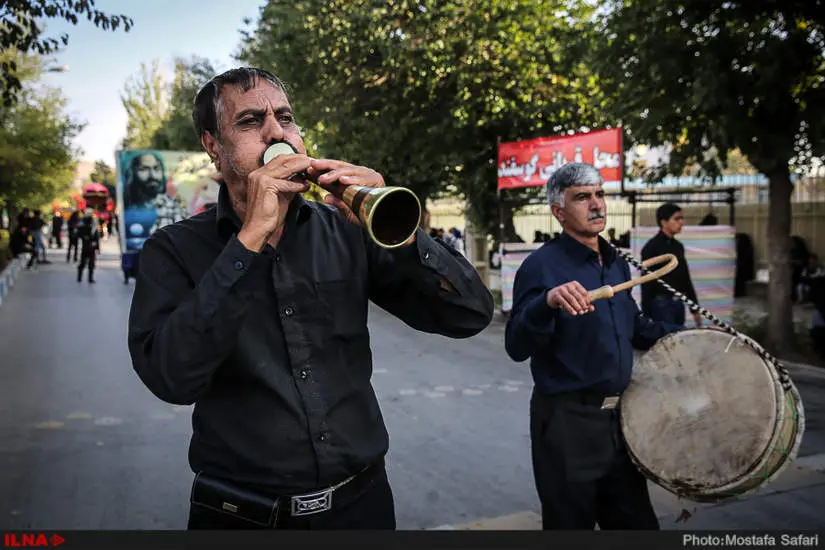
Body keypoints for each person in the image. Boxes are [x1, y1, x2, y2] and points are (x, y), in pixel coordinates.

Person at [127, 67, 494, 530]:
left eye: (285, 117)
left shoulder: (345, 229)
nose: (275, 131)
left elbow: (470, 314)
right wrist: (250, 240)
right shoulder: (173, 250)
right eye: (249, 121)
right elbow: (171, 378)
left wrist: (401, 236)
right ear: (213, 146)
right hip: (241, 515)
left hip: (362, 507)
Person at [505, 162, 682, 530]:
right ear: (559, 212)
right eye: (582, 197)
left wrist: (690, 338)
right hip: (567, 424)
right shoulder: (541, 267)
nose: (597, 204)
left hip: (621, 423)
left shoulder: (616, 262)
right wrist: (547, 302)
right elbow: (516, 345)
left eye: (600, 194)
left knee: (637, 524)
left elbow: (634, 326)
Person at [640, 203, 701, 327]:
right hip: (660, 305)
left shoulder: (678, 246)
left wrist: (694, 308)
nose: (681, 222)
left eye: (681, 218)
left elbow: (685, 277)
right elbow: (646, 281)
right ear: (664, 222)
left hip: (678, 303)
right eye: (677, 219)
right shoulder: (652, 247)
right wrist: (646, 314)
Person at [76, 210, 100, 283]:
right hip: (86, 245)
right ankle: (81, 278)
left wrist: (97, 246)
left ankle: (89, 278)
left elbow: (96, 235)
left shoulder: (93, 222)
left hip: (90, 246)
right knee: (84, 262)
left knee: (90, 263)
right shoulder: (83, 222)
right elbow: (79, 233)